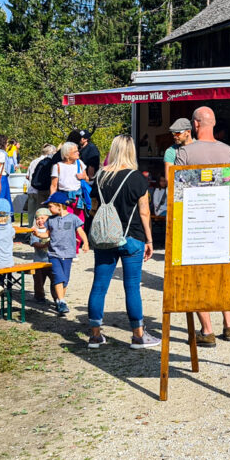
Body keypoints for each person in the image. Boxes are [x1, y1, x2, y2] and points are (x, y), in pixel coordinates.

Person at [176, 106, 230, 345]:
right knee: (225, 273)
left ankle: (206, 330)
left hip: (197, 225)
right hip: (225, 225)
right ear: (212, 124)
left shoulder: (185, 153)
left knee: (197, 276)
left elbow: (179, 192)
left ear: (195, 125)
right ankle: (229, 324)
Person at [87, 134, 160, 349]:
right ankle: (138, 335)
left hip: (105, 238)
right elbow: (145, 212)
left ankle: (95, 335)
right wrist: (149, 240)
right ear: (131, 152)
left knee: (99, 286)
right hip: (132, 236)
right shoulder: (137, 178)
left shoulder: (101, 176)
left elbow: (93, 207)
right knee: (132, 287)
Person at [44, 192, 89, 315]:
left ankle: (59, 302)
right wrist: (37, 234)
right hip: (54, 253)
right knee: (58, 277)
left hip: (68, 254)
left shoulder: (73, 218)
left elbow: (80, 231)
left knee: (65, 279)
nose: (49, 209)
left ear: (59, 205)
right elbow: (46, 234)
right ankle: (62, 301)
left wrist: (85, 242)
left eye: (50, 206)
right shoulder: (50, 220)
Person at [50, 142, 87, 214]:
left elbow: (87, 178)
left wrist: (83, 177)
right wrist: (52, 201)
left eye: (77, 151)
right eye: (75, 152)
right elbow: (53, 186)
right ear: (67, 154)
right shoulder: (57, 166)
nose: (78, 153)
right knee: (66, 222)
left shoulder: (80, 163)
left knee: (79, 222)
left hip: (78, 198)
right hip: (64, 198)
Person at [26, 144, 56, 227]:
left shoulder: (34, 161)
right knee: (43, 213)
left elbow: (28, 176)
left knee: (32, 214)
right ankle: (41, 231)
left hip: (32, 189)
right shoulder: (50, 162)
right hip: (44, 190)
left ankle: (30, 232)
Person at [31, 207, 52, 303]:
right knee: (38, 281)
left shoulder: (52, 230)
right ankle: (39, 296)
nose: (40, 221)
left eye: (42, 218)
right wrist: (43, 245)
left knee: (55, 281)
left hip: (51, 262)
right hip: (38, 262)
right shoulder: (35, 231)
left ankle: (57, 297)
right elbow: (35, 244)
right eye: (37, 219)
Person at [0, 134, 12, 202]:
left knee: (5, 200)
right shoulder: (0, 154)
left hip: (1, 178)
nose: (7, 144)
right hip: (0, 179)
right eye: (6, 143)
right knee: (2, 202)